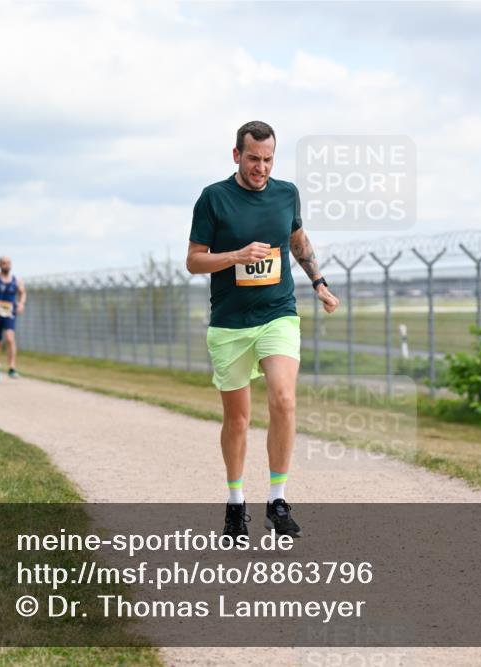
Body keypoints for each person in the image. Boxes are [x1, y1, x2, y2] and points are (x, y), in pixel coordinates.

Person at [186, 121, 340, 539]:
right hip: (230, 324)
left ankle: (277, 500)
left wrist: (319, 283)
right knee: (238, 420)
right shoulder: (214, 198)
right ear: (237, 155)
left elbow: (298, 240)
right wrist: (235, 256)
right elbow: (194, 261)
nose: (261, 167)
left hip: (278, 314)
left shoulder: (286, 193)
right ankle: (236, 504)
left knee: (284, 399)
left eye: (269, 159)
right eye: (253, 158)